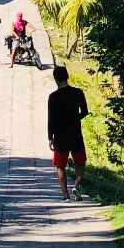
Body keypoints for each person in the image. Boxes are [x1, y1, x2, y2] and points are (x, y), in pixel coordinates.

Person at [47, 64, 90, 201]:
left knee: (60, 165)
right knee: (80, 162)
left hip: (60, 135)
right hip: (75, 133)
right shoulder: (78, 92)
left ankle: (65, 195)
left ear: (55, 79)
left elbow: (51, 118)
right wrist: (74, 119)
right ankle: (76, 187)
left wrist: (50, 137)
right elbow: (85, 111)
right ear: (67, 77)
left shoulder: (53, 97)